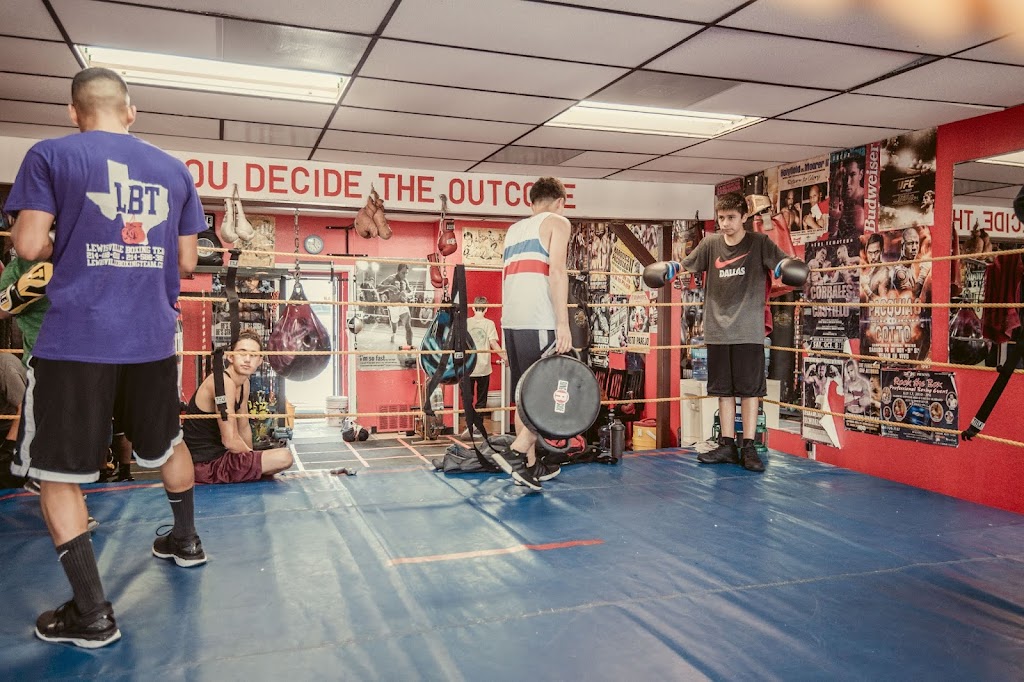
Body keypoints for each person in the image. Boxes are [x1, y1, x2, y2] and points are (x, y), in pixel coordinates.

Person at [5, 67, 205, 648]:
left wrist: (69, 239)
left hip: (78, 339)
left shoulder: (50, 155)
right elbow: (188, 261)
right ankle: (186, 541)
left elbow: (28, 244)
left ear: (74, 111)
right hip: (150, 338)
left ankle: (91, 614)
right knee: (167, 442)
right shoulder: (173, 170)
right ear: (130, 111)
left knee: (57, 473)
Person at [681, 191, 801, 472]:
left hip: (748, 329)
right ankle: (726, 445)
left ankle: (748, 446)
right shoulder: (710, 244)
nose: (725, 224)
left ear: (744, 217)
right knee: (723, 391)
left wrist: (788, 267)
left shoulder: (759, 243)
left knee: (749, 392)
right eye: (721, 218)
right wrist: (669, 268)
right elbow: (685, 266)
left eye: (731, 218)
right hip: (717, 330)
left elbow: (782, 263)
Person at [489, 177, 572, 491]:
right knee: (551, 394)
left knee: (525, 395)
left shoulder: (514, 230)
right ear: (560, 201)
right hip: (539, 320)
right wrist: (562, 324)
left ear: (531, 202)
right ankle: (516, 451)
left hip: (512, 322)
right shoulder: (558, 222)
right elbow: (557, 272)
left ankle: (530, 465)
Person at [183, 330, 293, 484]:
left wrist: (251, 459)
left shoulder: (244, 384)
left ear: (260, 360)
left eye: (253, 355)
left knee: (273, 459)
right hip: (205, 466)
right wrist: (253, 460)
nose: (247, 359)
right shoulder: (223, 382)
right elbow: (229, 440)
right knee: (284, 457)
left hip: (222, 458)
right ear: (230, 356)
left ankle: (247, 471)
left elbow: (243, 427)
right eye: (242, 353)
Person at [463, 296, 503, 437]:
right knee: (481, 399)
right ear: (486, 309)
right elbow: (493, 344)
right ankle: (477, 427)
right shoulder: (489, 324)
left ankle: (469, 424)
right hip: (484, 367)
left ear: (473, 308)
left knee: (467, 398)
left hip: (468, 366)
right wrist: (505, 357)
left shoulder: (466, 323)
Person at [378, 263, 413, 347]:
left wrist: (406, 295)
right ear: (398, 271)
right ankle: (394, 333)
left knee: (408, 326)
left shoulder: (405, 280)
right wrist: (389, 287)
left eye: (406, 273)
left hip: (403, 306)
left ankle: (409, 346)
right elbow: (378, 288)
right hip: (393, 306)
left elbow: (410, 292)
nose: (405, 275)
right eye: (403, 273)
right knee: (394, 323)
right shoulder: (391, 278)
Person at [830, 159, 866, 240]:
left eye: (852, 175)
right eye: (844, 176)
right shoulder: (839, 199)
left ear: (861, 174)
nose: (848, 182)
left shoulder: (867, 200)